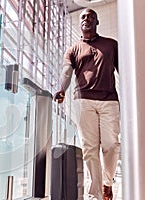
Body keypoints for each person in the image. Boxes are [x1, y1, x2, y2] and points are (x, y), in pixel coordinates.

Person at [54, 8, 120, 200]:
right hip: (83, 101)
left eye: (91, 16)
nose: (87, 19)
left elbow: (122, 70)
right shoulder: (73, 49)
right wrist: (61, 89)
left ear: (96, 22)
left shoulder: (110, 45)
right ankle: (96, 194)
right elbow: (66, 71)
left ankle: (108, 182)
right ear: (80, 23)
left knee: (112, 145)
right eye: (83, 16)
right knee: (90, 149)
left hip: (109, 100)